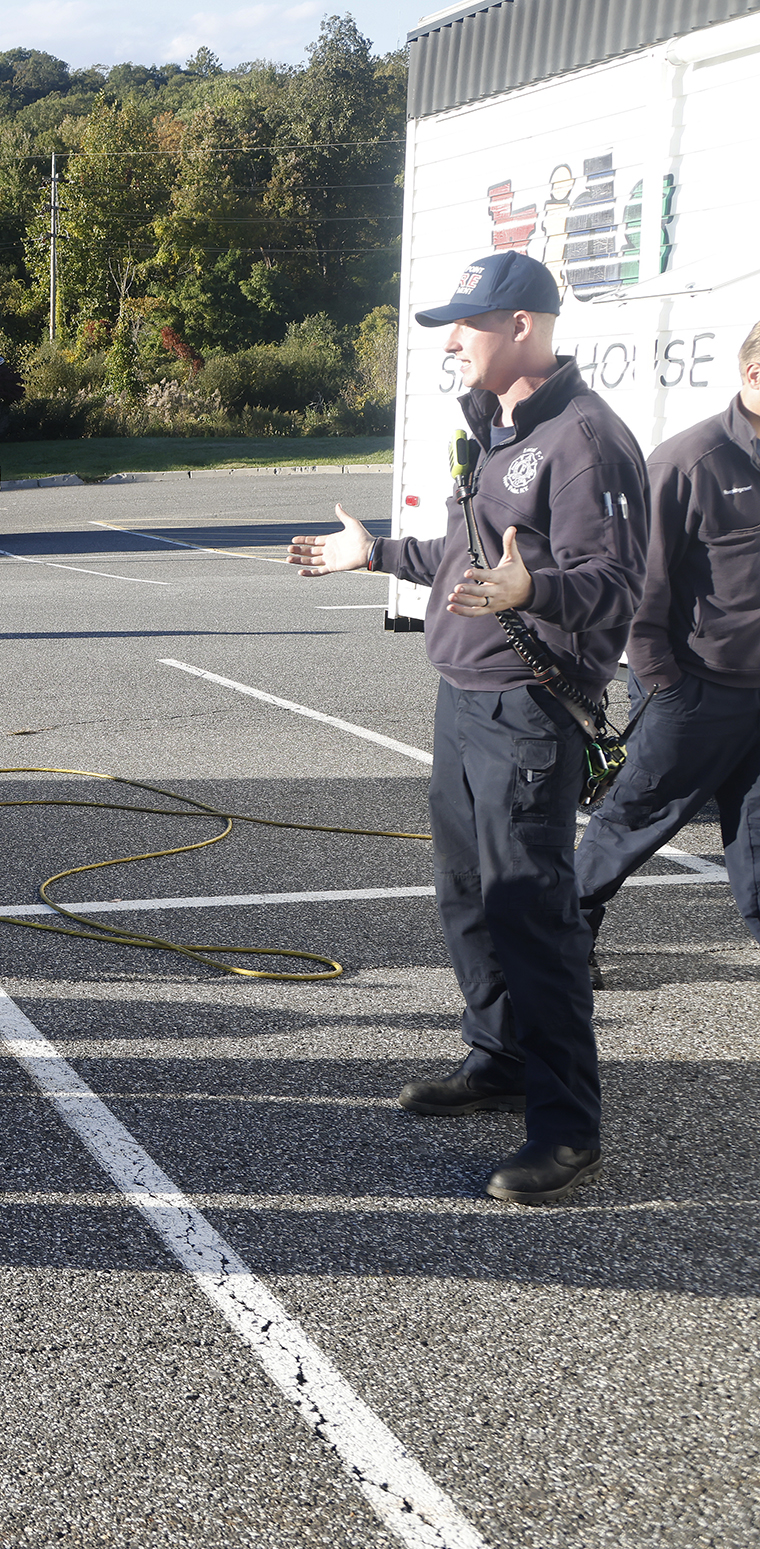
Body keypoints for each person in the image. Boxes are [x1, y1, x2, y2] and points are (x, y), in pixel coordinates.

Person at [290, 250, 645, 1206]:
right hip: (465, 694)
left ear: (522, 325)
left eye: (468, 322)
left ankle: (568, 1128)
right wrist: (377, 555)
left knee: (533, 912)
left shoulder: (584, 439)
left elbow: (617, 582)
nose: (453, 339)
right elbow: (468, 553)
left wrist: (539, 590)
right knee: (467, 895)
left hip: (529, 710)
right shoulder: (498, 426)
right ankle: (501, 1057)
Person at [576, 320, 760, 965]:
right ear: (755, 374)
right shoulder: (689, 462)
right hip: (696, 689)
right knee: (633, 820)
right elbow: (638, 582)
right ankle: (563, 946)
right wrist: (664, 683)